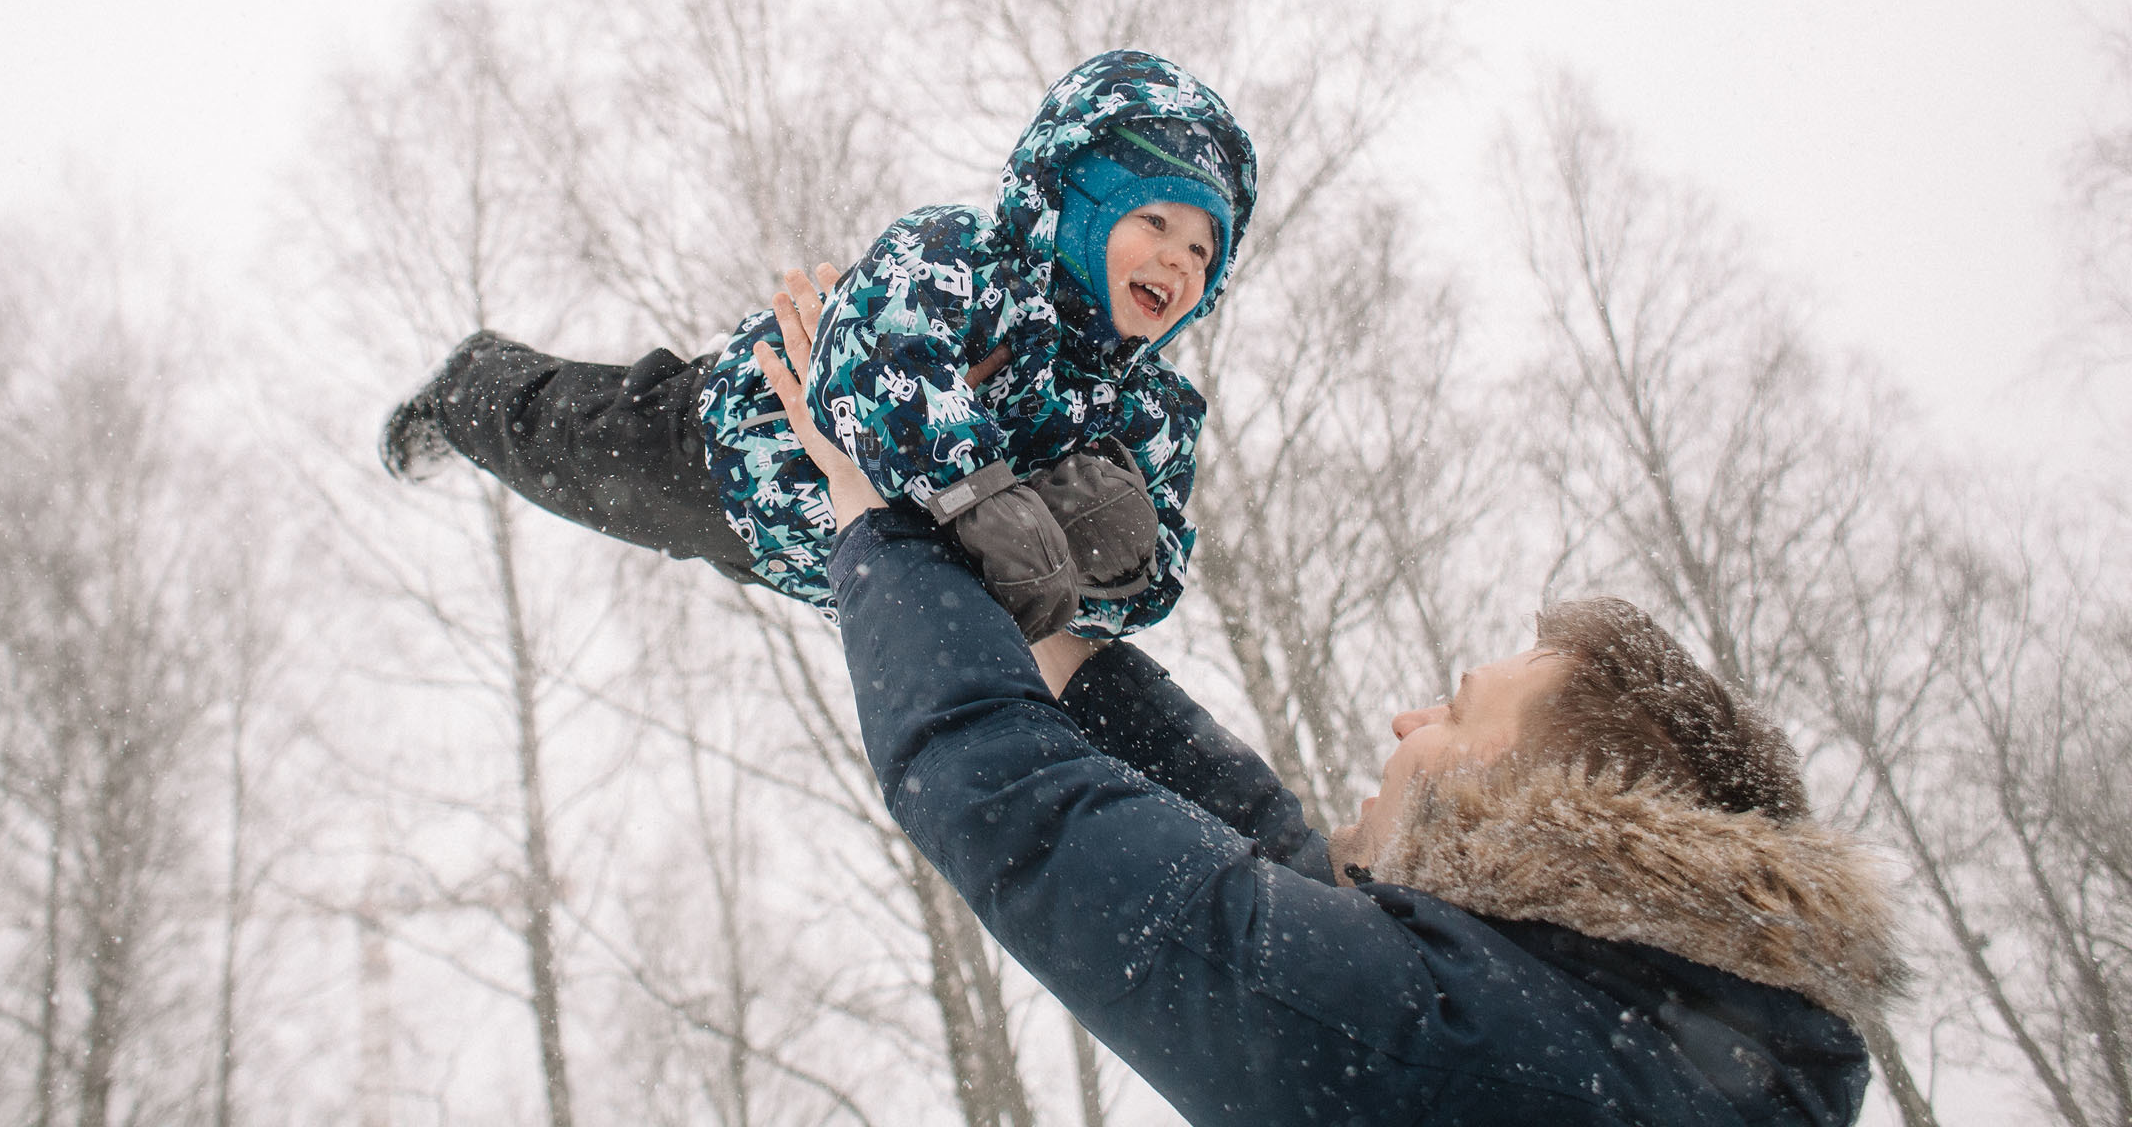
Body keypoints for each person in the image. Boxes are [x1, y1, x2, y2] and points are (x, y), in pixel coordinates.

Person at [750, 269, 1904, 1126]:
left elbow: (1036, 816)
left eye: (1456, 713)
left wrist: (880, 520)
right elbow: (1294, 888)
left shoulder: (1510, 1062)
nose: (1411, 719)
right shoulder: (1630, 1039)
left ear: (1543, 814)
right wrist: (1042, 616)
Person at [379, 49, 1257, 642]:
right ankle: (468, 392)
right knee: (568, 450)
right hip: (734, 455)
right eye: (1154, 220)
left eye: (1202, 249)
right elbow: (878, 363)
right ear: (1078, 201)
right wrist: (981, 495)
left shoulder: (1152, 412)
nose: (1178, 261)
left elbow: (1160, 573)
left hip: (844, 567)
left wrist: (1107, 567)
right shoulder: (965, 258)